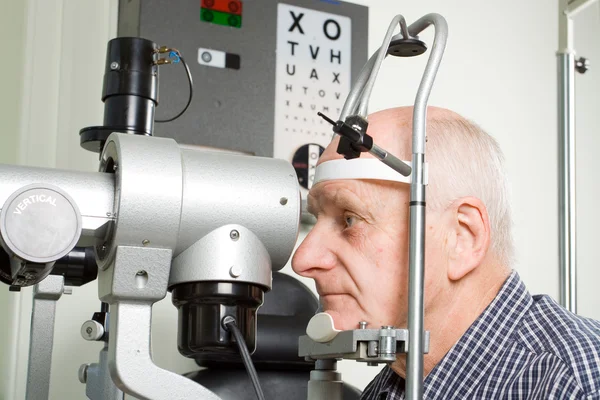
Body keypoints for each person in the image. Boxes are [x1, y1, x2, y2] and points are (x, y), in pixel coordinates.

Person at [292, 106, 600, 399]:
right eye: (318, 219)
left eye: (350, 219)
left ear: (461, 238)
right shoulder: (389, 390)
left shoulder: (575, 385)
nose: (302, 260)